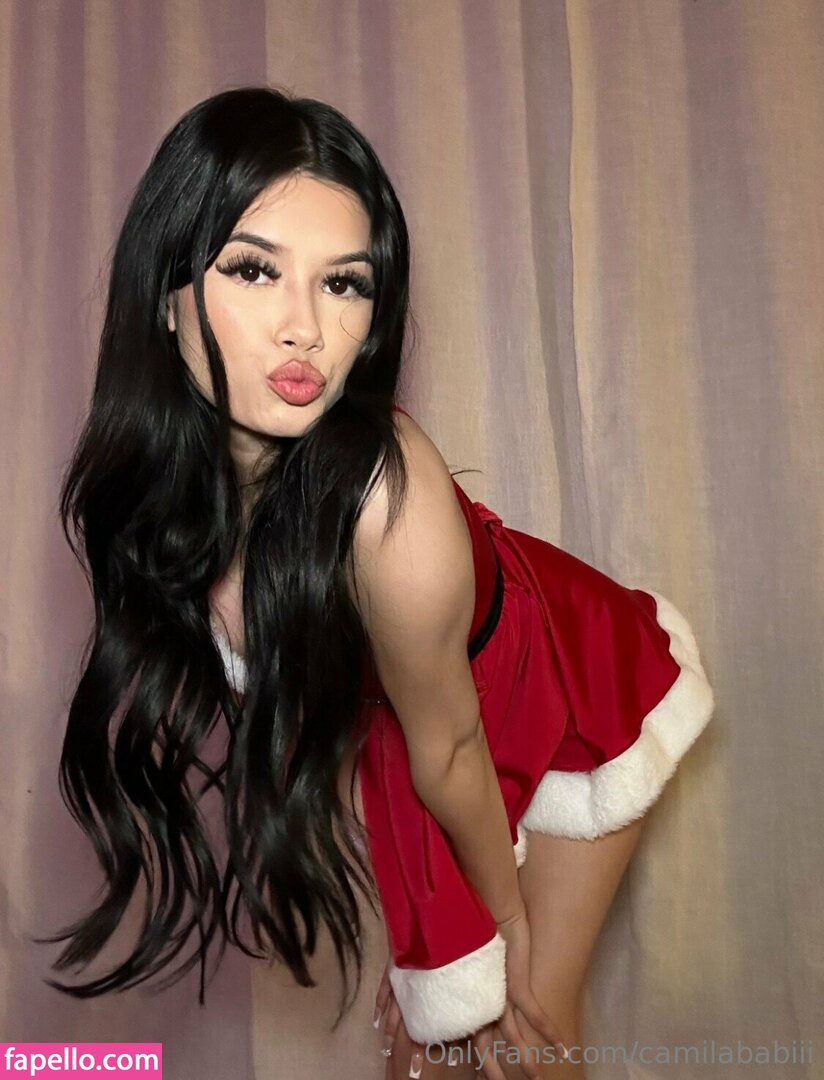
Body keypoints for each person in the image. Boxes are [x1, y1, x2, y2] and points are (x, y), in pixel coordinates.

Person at [41, 86, 714, 1080]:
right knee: (422, 1048)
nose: (305, 329)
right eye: (254, 270)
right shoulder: (160, 500)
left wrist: (500, 932)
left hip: (566, 694)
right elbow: (340, 727)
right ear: (165, 291)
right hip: (421, 739)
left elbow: (450, 748)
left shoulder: (385, 502)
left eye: (344, 284)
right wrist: (422, 942)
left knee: (526, 1033)